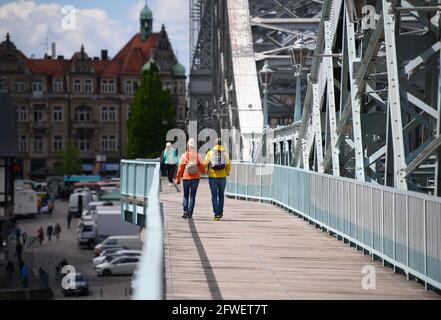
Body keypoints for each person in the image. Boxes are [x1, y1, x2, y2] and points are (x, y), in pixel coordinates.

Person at [175, 138, 206, 219]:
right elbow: (202, 166)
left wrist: (178, 178)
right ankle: (190, 214)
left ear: (187, 146)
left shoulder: (184, 155)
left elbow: (180, 169)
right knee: (192, 196)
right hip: (195, 178)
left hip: (186, 178)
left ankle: (185, 211)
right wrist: (203, 171)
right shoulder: (198, 155)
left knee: (185, 195)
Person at [204, 139, 231, 221]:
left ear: (214, 144)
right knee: (221, 195)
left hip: (212, 177)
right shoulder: (225, 153)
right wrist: (226, 172)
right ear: (221, 144)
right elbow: (229, 165)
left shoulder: (210, 152)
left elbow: (205, 163)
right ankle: (221, 212)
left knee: (214, 196)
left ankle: (217, 214)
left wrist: (205, 171)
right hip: (222, 177)